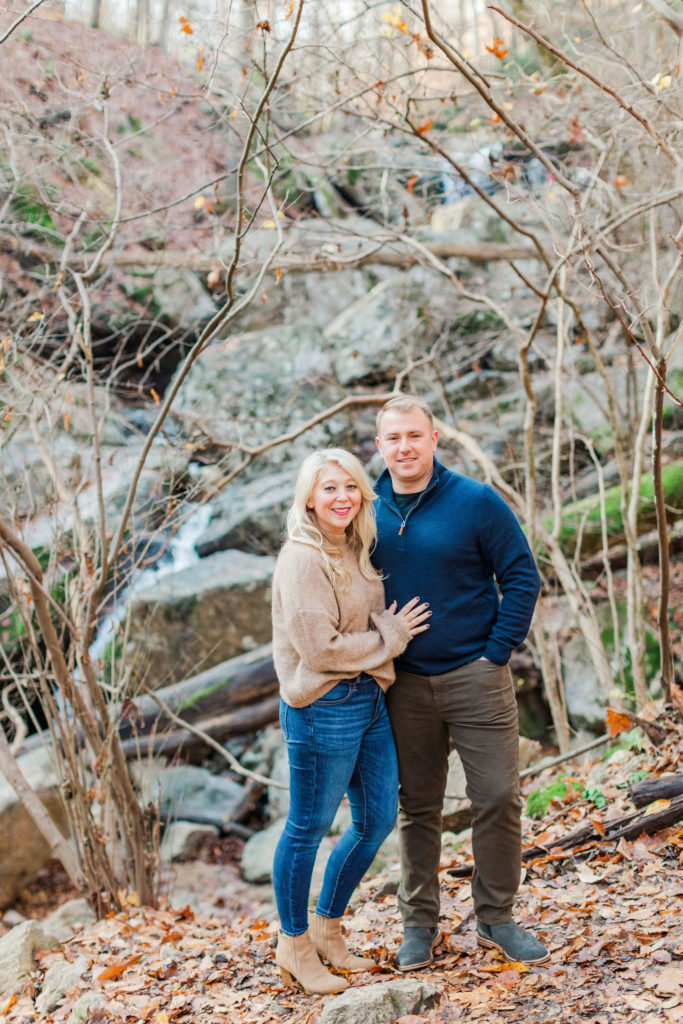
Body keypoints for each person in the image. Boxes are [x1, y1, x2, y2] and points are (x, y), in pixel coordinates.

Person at [372, 394, 548, 970]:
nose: (405, 447)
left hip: (476, 675)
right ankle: (418, 924)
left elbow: (522, 575)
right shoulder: (362, 508)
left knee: (497, 795)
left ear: (433, 439)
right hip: (402, 685)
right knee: (416, 806)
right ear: (380, 446)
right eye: (393, 438)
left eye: (414, 436)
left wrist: (496, 652)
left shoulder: (474, 501)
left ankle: (497, 917)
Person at [270, 447, 431, 994]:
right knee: (307, 828)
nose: (341, 497)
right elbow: (318, 649)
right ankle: (292, 943)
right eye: (328, 488)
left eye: (349, 487)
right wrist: (389, 637)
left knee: (376, 821)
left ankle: (327, 927)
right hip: (322, 706)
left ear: (363, 492)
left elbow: (355, 631)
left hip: (368, 699)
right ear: (309, 499)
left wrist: (379, 643)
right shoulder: (302, 557)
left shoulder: (355, 546)